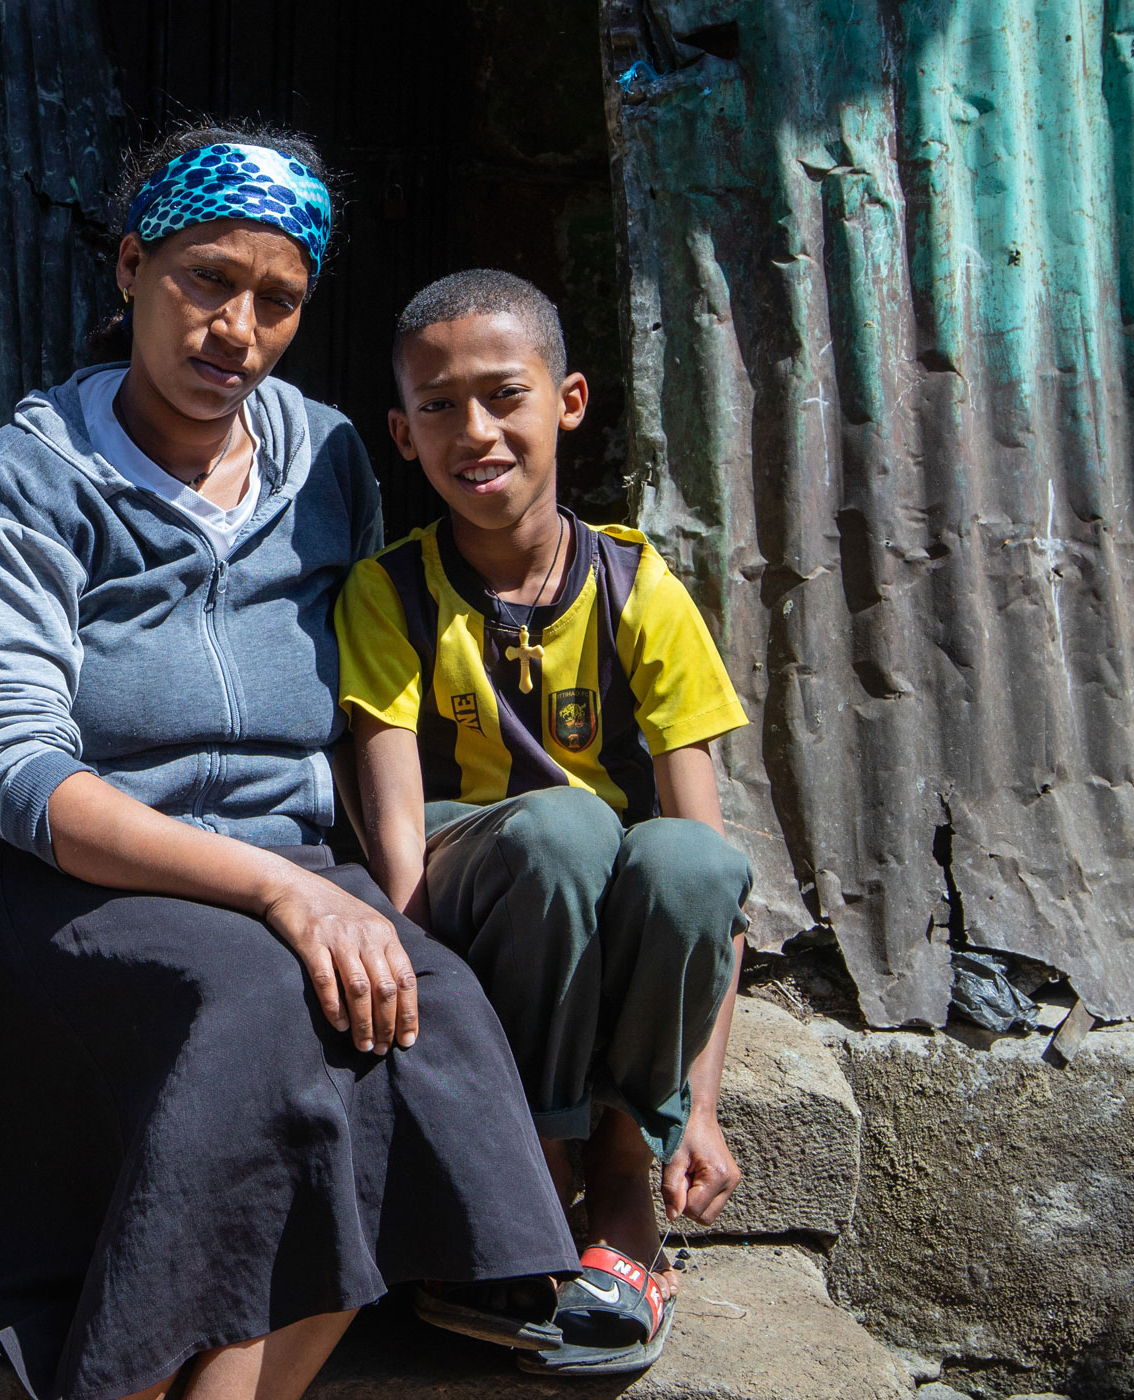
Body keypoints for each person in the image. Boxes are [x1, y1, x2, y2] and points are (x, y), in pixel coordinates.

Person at [0, 129, 577, 1400]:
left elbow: (374, 681)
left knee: (435, 1018)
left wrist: (352, 880)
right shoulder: (31, 473)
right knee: (262, 1002)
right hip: (52, 875)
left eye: (277, 301)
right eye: (206, 279)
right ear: (131, 265)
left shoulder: (327, 458)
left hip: (288, 855)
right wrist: (279, 891)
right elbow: (12, 764)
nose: (237, 328)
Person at [335, 269, 753, 1374]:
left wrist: (698, 1111)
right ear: (402, 431)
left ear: (567, 401)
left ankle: (621, 1171)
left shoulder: (636, 587)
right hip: (476, 895)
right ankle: (526, 1170)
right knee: (562, 833)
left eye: (503, 395)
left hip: (595, 897)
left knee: (678, 858)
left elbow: (711, 880)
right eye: (437, 406)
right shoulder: (390, 594)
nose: (474, 431)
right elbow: (398, 863)